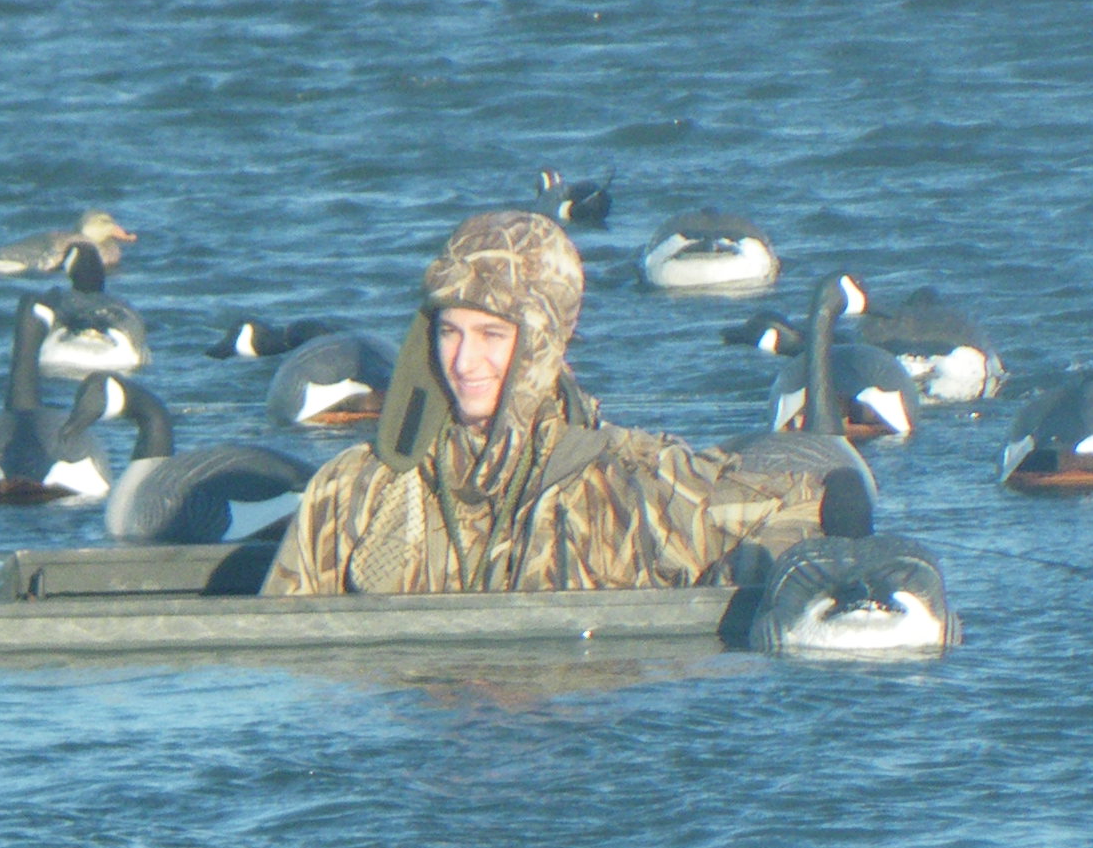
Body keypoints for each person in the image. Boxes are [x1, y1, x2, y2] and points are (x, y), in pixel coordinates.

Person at [263, 211, 834, 596]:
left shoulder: (633, 484)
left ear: (539, 346)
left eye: (491, 335)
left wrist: (744, 574)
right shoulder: (352, 491)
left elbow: (823, 506)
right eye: (449, 332)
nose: (464, 362)